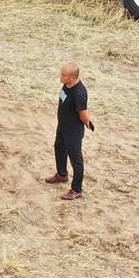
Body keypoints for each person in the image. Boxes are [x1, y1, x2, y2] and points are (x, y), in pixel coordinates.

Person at [47, 63, 91, 200]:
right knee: (59, 148)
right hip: (63, 126)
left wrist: (88, 122)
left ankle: (76, 190)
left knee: (75, 158)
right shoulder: (67, 85)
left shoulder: (79, 93)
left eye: (64, 75)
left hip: (73, 131)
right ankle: (62, 175)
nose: (61, 77)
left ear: (72, 77)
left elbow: (83, 114)